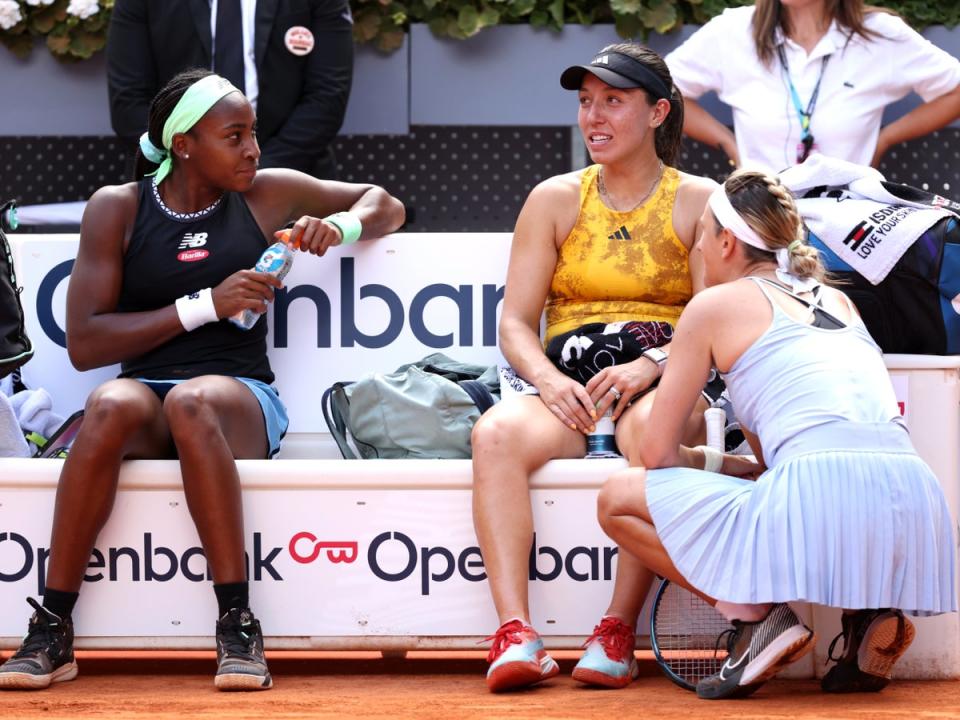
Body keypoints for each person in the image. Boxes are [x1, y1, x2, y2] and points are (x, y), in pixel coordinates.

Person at [0, 69, 405, 692]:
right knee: (107, 403)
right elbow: (85, 344)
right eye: (234, 135)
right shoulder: (119, 207)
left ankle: (237, 624)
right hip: (143, 392)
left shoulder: (269, 192)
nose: (253, 149)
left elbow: (386, 202)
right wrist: (205, 304)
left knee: (193, 402)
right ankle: (51, 626)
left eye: (253, 134)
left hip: (237, 399)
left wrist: (343, 226)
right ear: (184, 144)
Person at [596, 169, 956, 699]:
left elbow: (655, 451)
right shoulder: (841, 302)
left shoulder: (712, 308)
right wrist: (745, 467)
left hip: (823, 489)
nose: (696, 246)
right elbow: (772, 462)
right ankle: (867, 618)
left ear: (725, 241)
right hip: (916, 505)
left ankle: (759, 617)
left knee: (615, 500)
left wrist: (716, 462)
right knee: (820, 495)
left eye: (701, 235)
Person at [471, 43, 717, 693]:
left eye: (614, 100)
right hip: (568, 391)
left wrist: (651, 366)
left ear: (659, 111)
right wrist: (549, 382)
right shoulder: (553, 198)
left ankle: (616, 628)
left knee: (655, 437)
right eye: (585, 102)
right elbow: (515, 324)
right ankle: (515, 632)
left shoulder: (700, 200)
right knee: (494, 435)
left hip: (658, 383)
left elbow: (719, 318)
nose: (594, 117)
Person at [665, 0, 960, 171]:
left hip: (850, 222)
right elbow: (661, 87)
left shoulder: (881, 35)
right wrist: (728, 143)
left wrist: (884, 139)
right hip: (757, 217)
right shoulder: (732, 31)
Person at [107, 0, 353, 180]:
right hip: (173, 184)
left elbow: (327, 98)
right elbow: (129, 102)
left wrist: (259, 170)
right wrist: (192, 170)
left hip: (292, 179)